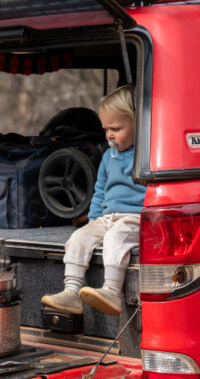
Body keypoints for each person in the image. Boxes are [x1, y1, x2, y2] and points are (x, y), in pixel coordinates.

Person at [41, 85, 146, 317]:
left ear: (139, 123)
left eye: (116, 128)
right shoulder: (109, 156)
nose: (109, 135)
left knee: (115, 238)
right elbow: (100, 189)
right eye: (106, 129)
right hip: (107, 217)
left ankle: (111, 290)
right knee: (78, 238)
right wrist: (94, 219)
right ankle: (71, 292)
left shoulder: (147, 155)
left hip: (136, 217)